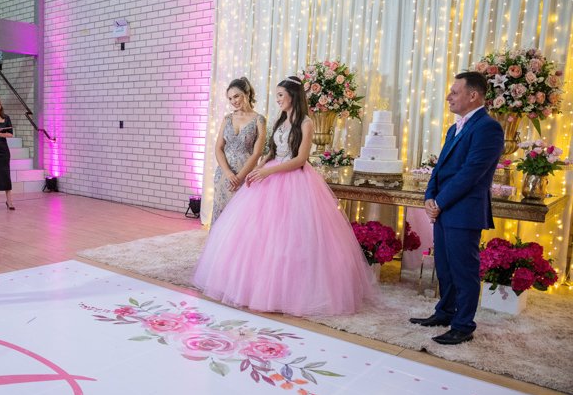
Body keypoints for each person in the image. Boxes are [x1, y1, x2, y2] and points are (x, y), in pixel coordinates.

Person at [192, 76, 379, 316]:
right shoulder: (280, 119)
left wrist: (269, 171)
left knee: (291, 236)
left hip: (293, 178)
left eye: (281, 95)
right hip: (270, 173)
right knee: (259, 233)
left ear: (293, 95)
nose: (278, 99)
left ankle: (290, 291)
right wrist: (261, 167)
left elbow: (300, 160)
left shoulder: (306, 122)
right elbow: (271, 151)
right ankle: (253, 284)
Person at [411, 72, 504, 344]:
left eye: (454, 92)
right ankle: (445, 312)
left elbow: (470, 174)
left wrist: (439, 203)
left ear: (473, 96)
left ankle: (463, 325)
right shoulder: (454, 129)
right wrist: (429, 196)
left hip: (464, 211)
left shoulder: (488, 128)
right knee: (445, 267)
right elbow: (439, 168)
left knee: (464, 271)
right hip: (444, 209)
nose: (448, 97)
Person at [211, 77, 266, 226]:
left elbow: (257, 153)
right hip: (224, 175)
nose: (233, 101)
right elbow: (218, 148)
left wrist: (240, 177)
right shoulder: (227, 118)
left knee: (241, 219)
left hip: (246, 175)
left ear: (247, 93)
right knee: (221, 215)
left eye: (236, 96)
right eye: (230, 98)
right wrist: (227, 172)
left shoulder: (259, 119)